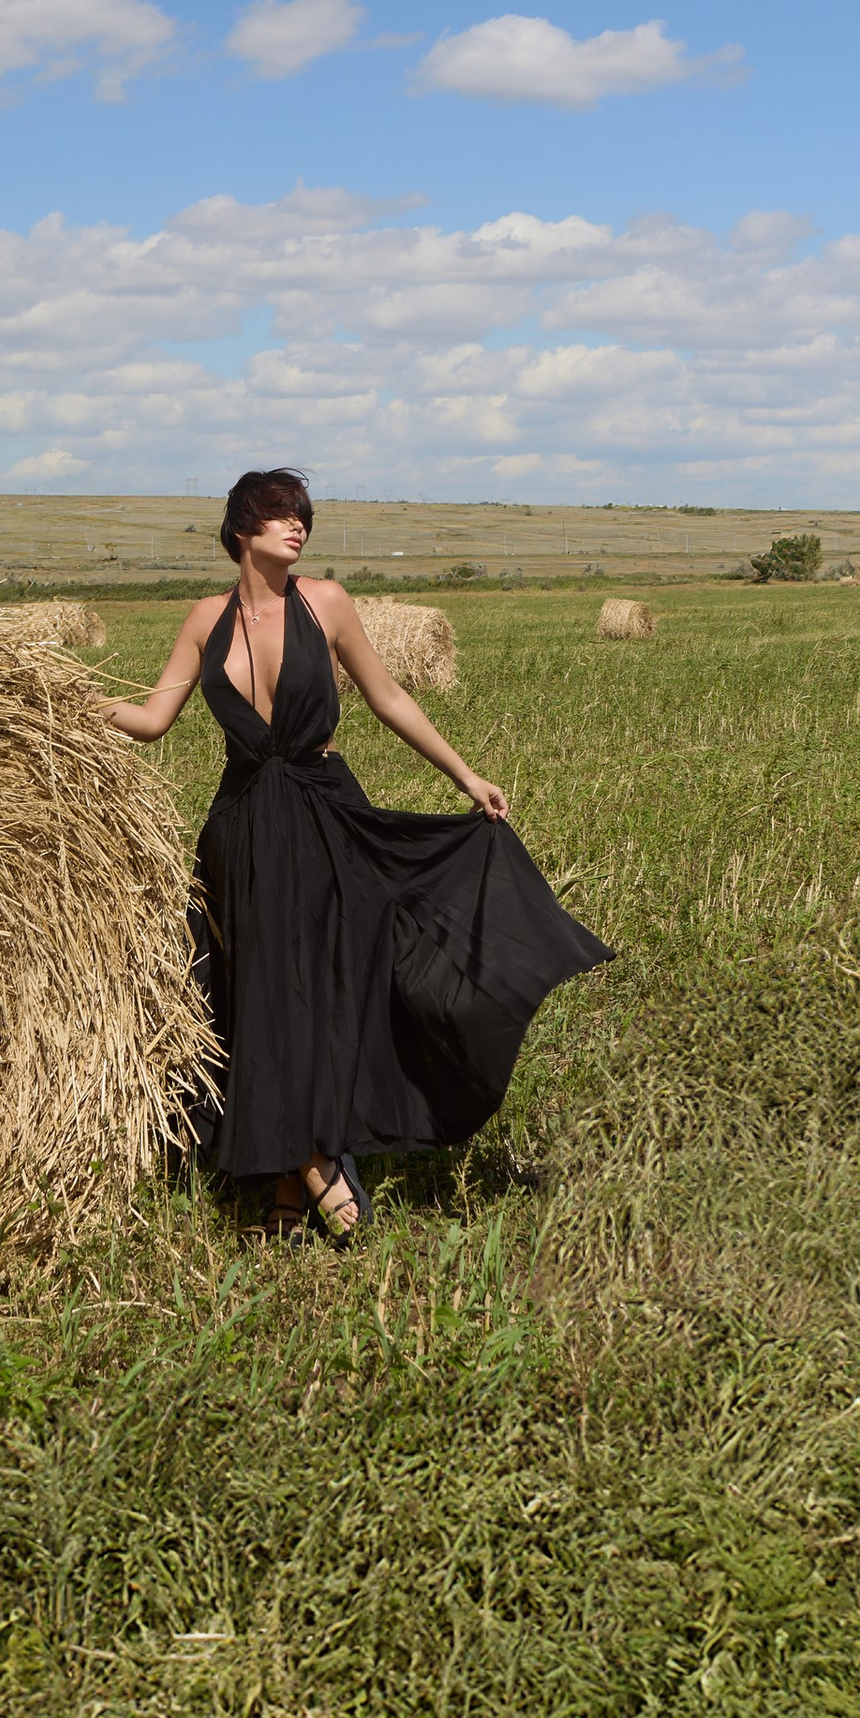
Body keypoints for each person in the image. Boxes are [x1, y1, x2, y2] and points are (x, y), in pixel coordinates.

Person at [97, 466, 612, 1238]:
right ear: (241, 528)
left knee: (330, 984)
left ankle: (310, 1162)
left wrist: (467, 774)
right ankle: (296, 1170)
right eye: (278, 515)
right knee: (258, 994)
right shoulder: (204, 620)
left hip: (327, 816)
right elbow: (150, 719)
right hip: (240, 831)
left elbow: (389, 697)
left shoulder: (327, 601)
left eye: (301, 515)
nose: (296, 526)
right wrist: (61, 696)